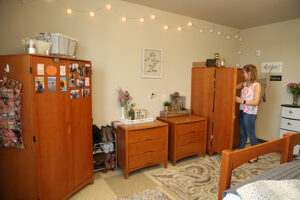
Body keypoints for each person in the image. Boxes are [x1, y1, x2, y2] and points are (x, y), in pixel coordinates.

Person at [235, 64, 261, 163]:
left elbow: (256, 102)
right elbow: (233, 85)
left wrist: (243, 101)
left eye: (244, 72)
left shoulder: (256, 86)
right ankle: (241, 152)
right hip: (242, 111)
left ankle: (255, 156)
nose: (242, 74)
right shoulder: (245, 83)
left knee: (251, 134)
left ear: (249, 73)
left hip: (250, 113)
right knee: (243, 134)